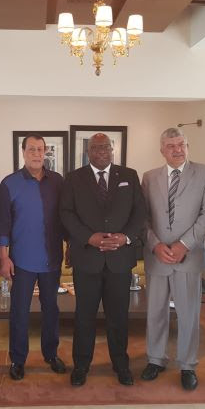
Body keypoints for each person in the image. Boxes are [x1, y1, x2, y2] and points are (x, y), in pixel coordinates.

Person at [60, 133, 146, 387]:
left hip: (119, 259)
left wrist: (125, 237)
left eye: (106, 147)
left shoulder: (129, 175)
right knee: (84, 316)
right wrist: (89, 237)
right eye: (96, 147)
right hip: (87, 258)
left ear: (112, 149)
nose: (101, 151)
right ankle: (81, 365)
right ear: (88, 152)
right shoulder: (73, 178)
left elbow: (140, 212)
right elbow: (66, 213)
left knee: (118, 317)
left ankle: (121, 365)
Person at [140, 127, 205, 390]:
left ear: (187, 146)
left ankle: (187, 364)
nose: (177, 150)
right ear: (162, 150)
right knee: (156, 312)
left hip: (189, 256)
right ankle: (155, 359)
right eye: (171, 146)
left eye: (181, 144)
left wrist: (184, 244)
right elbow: (143, 217)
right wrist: (155, 245)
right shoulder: (149, 177)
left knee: (188, 314)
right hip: (158, 256)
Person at [0, 134, 67, 380]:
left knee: (51, 310)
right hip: (22, 261)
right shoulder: (9, 183)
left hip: (51, 259)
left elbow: (65, 218)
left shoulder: (57, 181)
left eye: (40, 149)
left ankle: (51, 354)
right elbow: (2, 224)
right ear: (23, 152)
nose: (37, 154)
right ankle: (18, 359)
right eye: (32, 149)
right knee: (19, 312)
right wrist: (4, 258)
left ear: (45, 152)